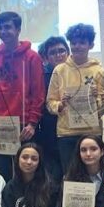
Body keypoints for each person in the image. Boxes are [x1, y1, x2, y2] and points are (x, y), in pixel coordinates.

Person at [0, 11, 45, 179]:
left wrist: (32, 123)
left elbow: (38, 94)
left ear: (18, 30)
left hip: (25, 128)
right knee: (2, 176)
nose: (3, 31)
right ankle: (5, 206)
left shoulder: (33, 58)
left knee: (28, 174)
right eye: (0, 28)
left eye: (8, 27)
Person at [46, 23, 104, 172]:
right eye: (73, 43)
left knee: (94, 174)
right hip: (66, 133)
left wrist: (95, 99)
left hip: (92, 131)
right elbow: (50, 103)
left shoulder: (99, 71)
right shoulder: (59, 70)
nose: (77, 46)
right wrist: (60, 105)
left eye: (82, 42)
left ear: (91, 45)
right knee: (70, 175)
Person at [33, 36, 69, 181]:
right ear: (46, 57)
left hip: (73, 132)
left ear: (68, 52)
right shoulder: (40, 77)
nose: (58, 55)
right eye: (53, 52)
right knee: (52, 176)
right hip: (49, 133)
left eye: (62, 51)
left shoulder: (78, 71)